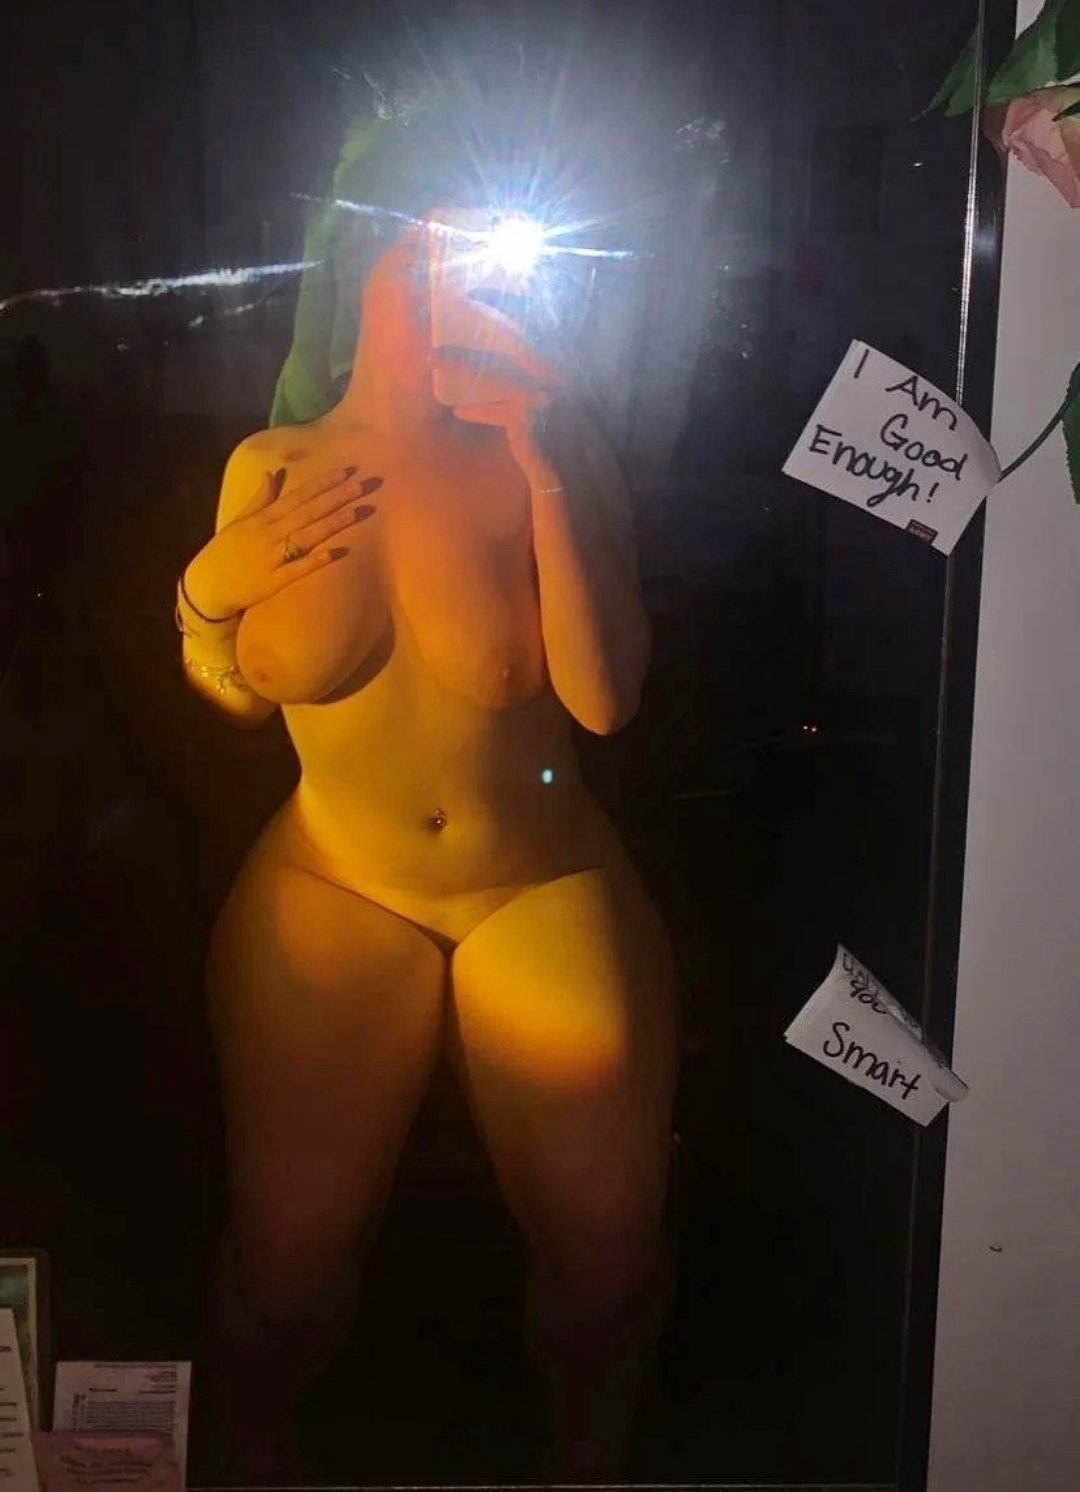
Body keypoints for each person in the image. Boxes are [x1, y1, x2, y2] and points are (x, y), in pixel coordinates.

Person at [177, 201, 678, 1480]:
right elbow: (234, 698)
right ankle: (247, 1453)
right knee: (285, 1253)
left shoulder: (550, 449)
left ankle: (588, 1458)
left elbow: (605, 701)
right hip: (336, 873)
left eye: (489, 256)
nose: (458, 282)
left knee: (608, 1246)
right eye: (431, 251)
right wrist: (204, 600)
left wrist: (547, 458)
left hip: (534, 875)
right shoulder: (272, 462)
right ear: (364, 269)